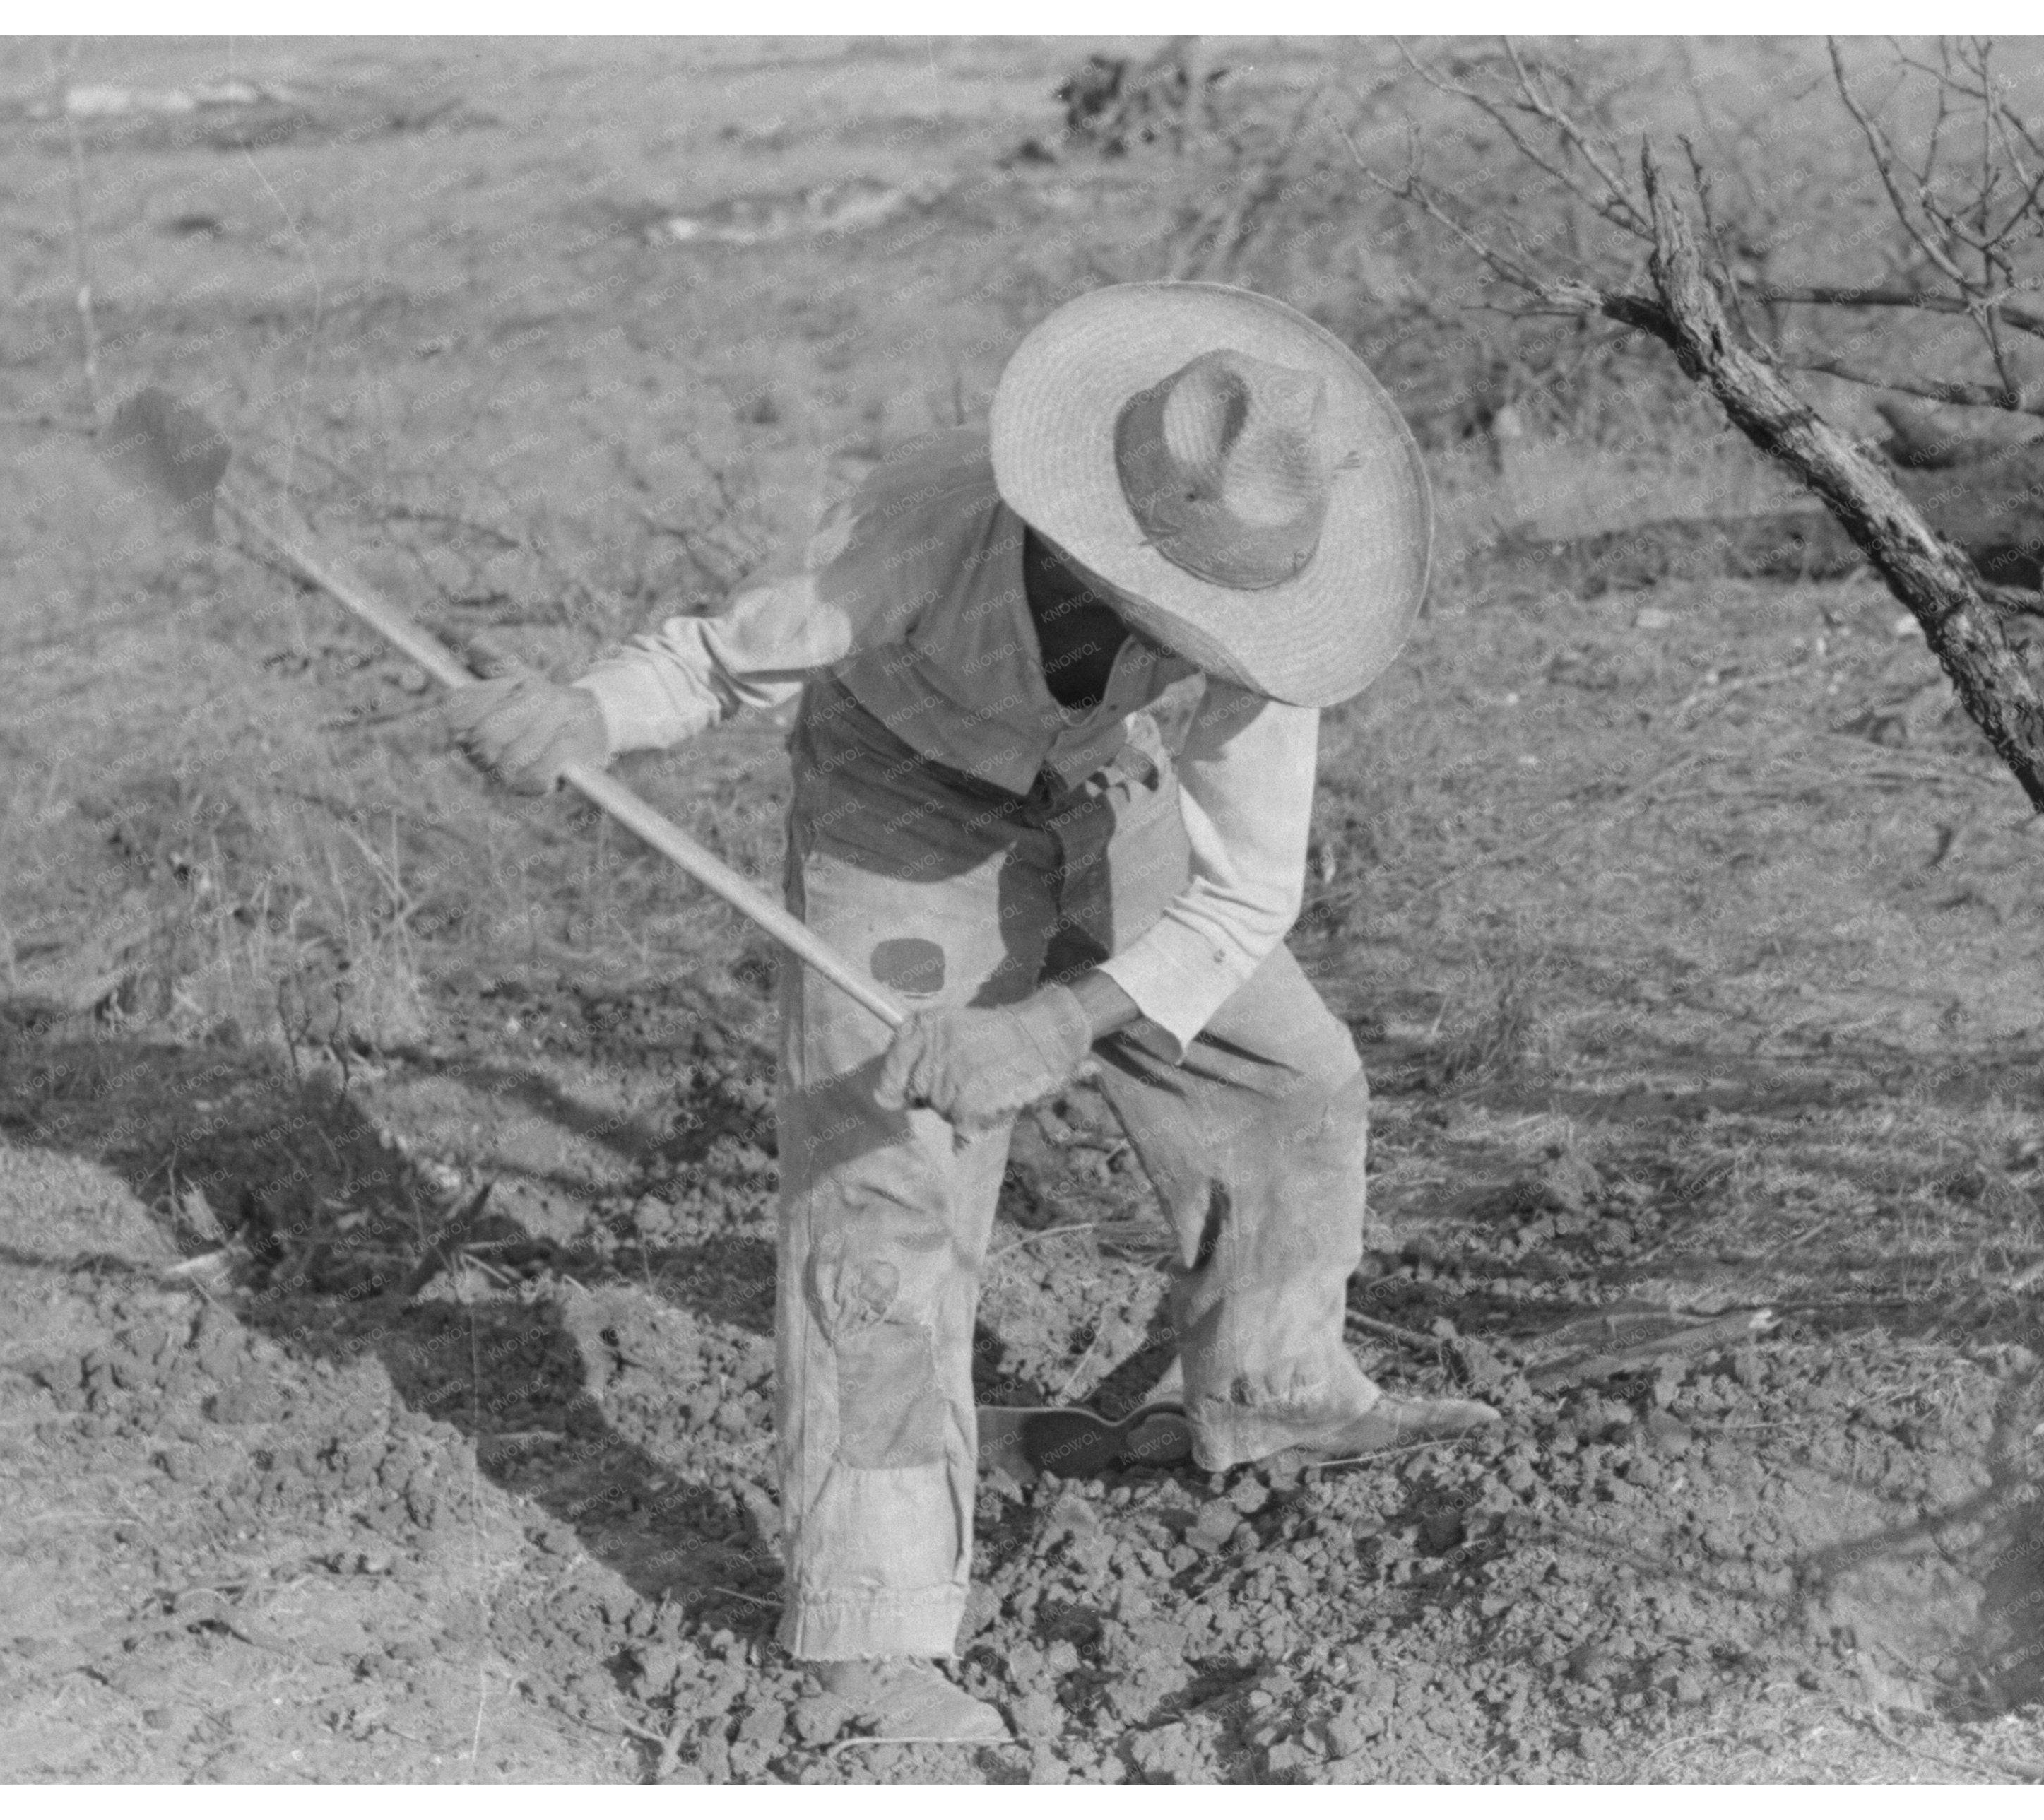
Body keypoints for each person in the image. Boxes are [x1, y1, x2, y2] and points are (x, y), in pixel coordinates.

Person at [447, 282, 1498, 1742]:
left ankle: (1278, 1386)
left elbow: (1245, 892)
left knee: (1289, 1069)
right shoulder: (930, 521)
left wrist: (1062, 1020)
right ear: (1096, 537)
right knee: (888, 1191)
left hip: (1101, 789)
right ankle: (871, 1636)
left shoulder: (1272, 600)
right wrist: (581, 713)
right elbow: (713, 658)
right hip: (904, 807)